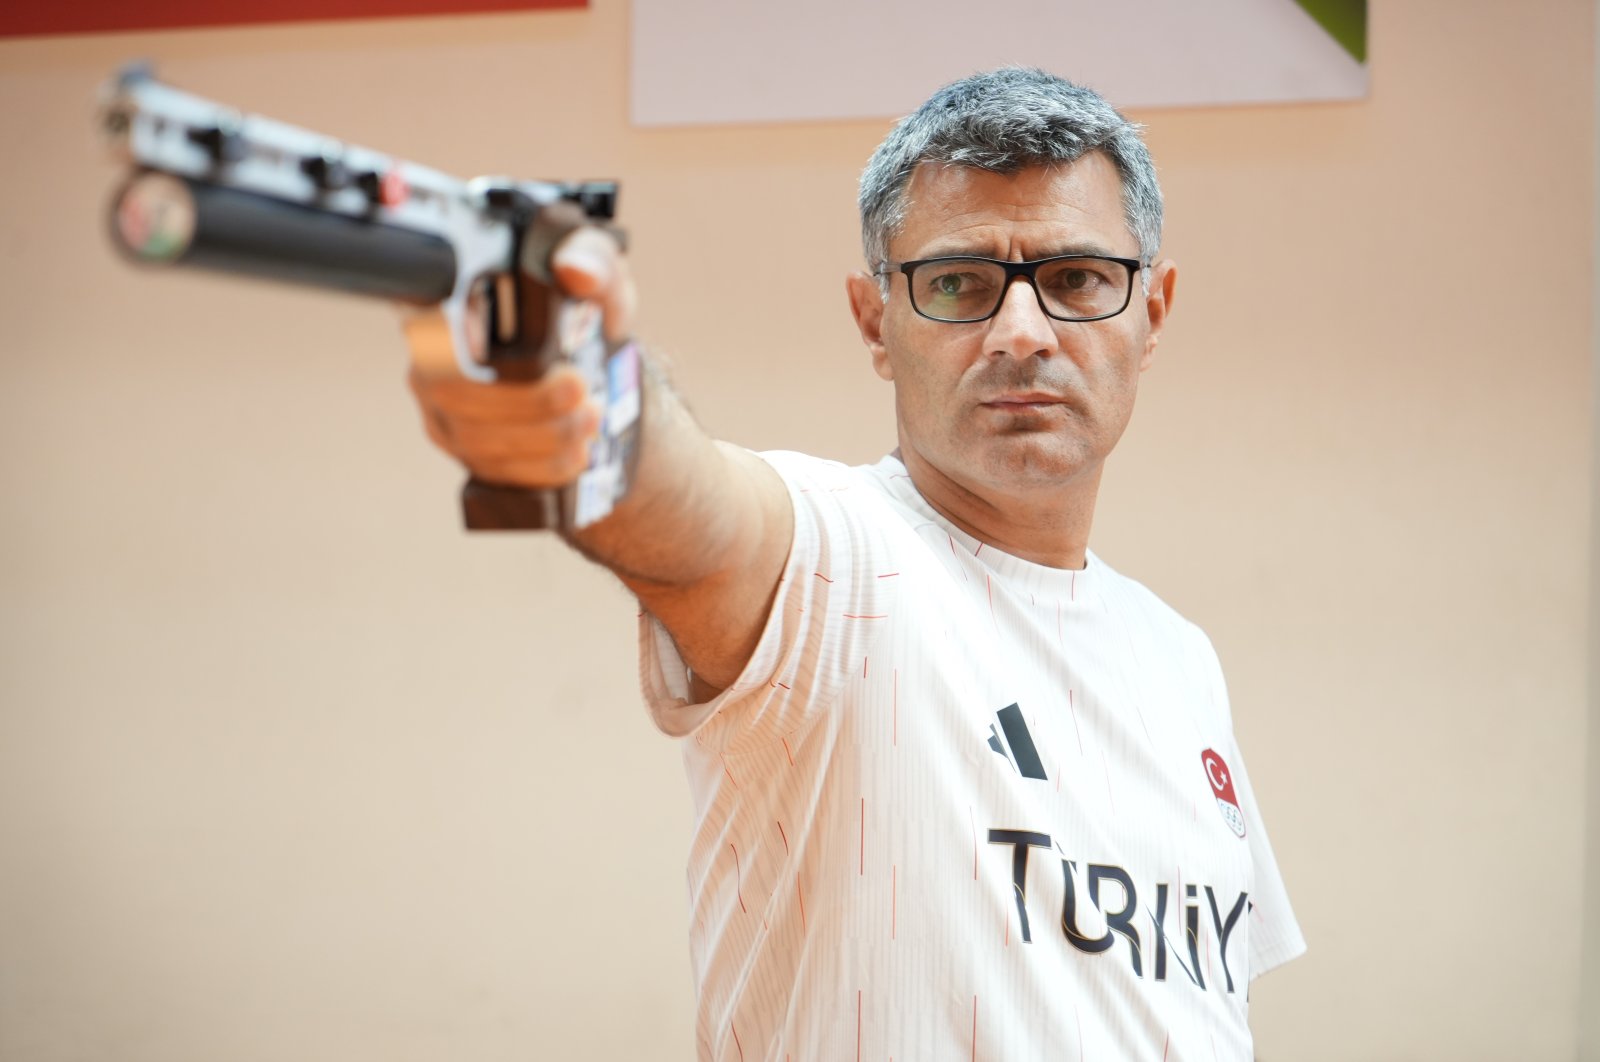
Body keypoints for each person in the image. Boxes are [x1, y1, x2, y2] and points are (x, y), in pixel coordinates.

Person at [409, 66, 1304, 1061]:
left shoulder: (1180, 658)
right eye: (959, 283)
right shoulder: (837, 560)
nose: (1020, 333)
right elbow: (684, 500)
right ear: (876, 319)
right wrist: (573, 372)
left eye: (1077, 280)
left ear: (1153, 311)